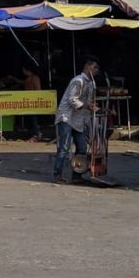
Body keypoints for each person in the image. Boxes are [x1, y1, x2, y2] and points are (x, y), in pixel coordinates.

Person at [53, 56, 99, 184]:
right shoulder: (78, 81)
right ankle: (58, 175)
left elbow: (89, 102)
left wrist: (92, 109)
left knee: (82, 148)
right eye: (94, 67)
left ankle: (77, 175)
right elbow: (72, 100)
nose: (96, 70)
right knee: (64, 148)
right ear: (87, 67)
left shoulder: (91, 83)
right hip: (66, 117)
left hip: (78, 120)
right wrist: (87, 106)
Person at [21, 64, 44, 142]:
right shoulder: (28, 79)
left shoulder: (35, 78)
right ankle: (33, 134)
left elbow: (38, 90)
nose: (23, 71)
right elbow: (23, 83)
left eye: (23, 70)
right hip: (28, 102)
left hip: (34, 102)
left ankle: (37, 135)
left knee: (34, 119)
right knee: (30, 119)